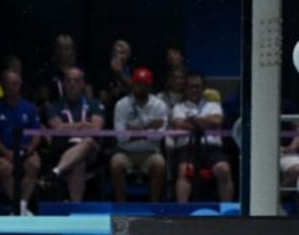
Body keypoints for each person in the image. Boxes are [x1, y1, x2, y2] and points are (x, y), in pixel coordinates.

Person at [44, 67, 105, 202]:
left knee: (88, 142)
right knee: (78, 163)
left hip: (91, 150)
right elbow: (56, 127)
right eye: (69, 81)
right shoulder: (54, 106)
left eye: (76, 81)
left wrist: (68, 127)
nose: (72, 84)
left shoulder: (94, 104)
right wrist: (80, 125)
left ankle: (55, 172)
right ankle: (75, 206)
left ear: (83, 84)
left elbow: (96, 128)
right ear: (64, 84)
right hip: (64, 148)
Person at [170, 71, 234, 202]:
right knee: (183, 171)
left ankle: (227, 210)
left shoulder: (213, 105)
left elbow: (217, 121)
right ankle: (182, 212)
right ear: (185, 88)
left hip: (212, 148)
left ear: (203, 88)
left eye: (197, 86)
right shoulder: (178, 107)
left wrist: (192, 119)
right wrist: (205, 122)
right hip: (188, 148)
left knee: (224, 169)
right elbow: (179, 124)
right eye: (191, 87)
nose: (194, 90)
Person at [0, 69, 42, 215]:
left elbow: (37, 133)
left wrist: (30, 149)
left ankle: (21, 206)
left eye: (16, 83)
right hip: (4, 152)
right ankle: (19, 207)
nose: (12, 87)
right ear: (3, 86)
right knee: (4, 169)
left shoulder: (29, 108)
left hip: (26, 151)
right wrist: (6, 153)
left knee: (34, 164)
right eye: (9, 84)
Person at [109, 67, 168, 202]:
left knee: (160, 164)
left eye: (144, 84)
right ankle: (121, 206)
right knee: (115, 164)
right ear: (133, 84)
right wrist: (148, 128)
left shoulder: (159, 105)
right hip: (125, 151)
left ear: (149, 86)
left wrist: (132, 130)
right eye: (137, 83)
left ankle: (154, 205)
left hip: (150, 152)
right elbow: (121, 137)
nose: (140, 87)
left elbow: (158, 136)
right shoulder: (121, 105)